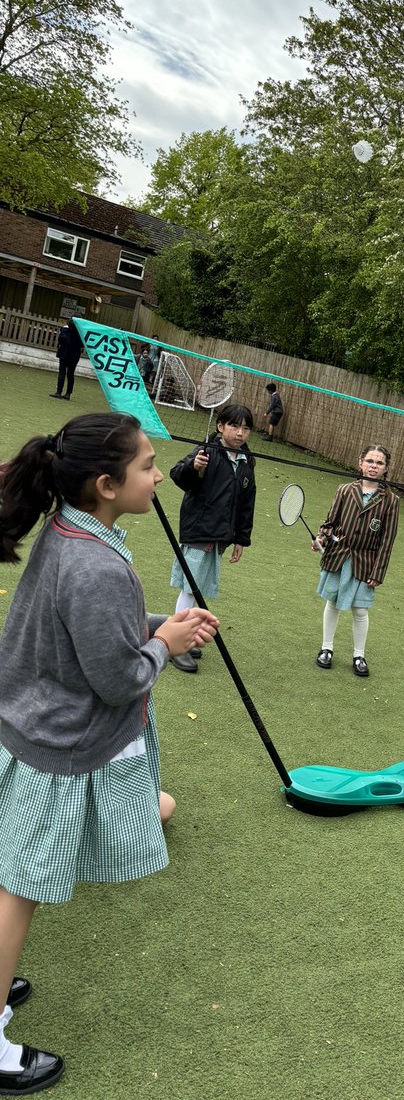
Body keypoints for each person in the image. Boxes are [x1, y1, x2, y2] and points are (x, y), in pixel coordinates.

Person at [0, 413, 218, 1094]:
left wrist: (159, 626)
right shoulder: (94, 561)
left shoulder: (72, 533)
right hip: (52, 746)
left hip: (26, 727)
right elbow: (119, 676)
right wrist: (166, 646)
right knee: (18, 889)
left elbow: (94, 632)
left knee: (12, 874)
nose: (160, 476)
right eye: (149, 466)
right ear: (105, 482)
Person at [168, 405, 256, 674]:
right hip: (199, 530)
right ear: (220, 426)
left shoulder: (247, 460)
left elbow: (246, 502)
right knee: (190, 588)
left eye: (245, 428)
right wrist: (194, 468)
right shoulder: (206, 451)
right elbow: (178, 475)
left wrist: (241, 538)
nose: (240, 433)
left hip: (221, 535)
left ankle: (186, 636)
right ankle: (175, 645)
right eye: (234, 426)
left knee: (199, 588)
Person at [312, 444, 399, 677]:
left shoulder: (391, 500)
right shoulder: (344, 490)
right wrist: (321, 537)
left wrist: (377, 572)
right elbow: (329, 523)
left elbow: (387, 540)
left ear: (386, 468)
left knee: (360, 609)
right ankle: (326, 649)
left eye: (379, 463)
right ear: (360, 462)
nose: (373, 466)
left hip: (365, 562)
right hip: (338, 557)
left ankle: (359, 655)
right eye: (370, 461)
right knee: (332, 602)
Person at [49, 317, 83, 401]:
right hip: (75, 354)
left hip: (64, 353)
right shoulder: (81, 331)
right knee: (70, 374)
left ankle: (59, 392)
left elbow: (61, 339)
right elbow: (82, 344)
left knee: (62, 372)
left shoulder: (65, 329)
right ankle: (68, 394)